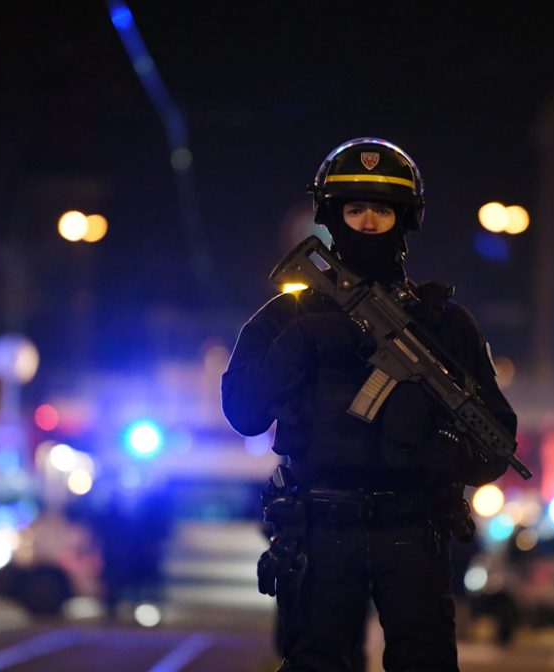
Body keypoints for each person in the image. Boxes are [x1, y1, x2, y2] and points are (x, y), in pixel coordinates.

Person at [221, 137, 518, 672]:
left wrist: (428, 442)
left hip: (411, 530)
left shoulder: (444, 326)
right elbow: (243, 411)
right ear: (330, 216)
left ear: (405, 220)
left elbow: (494, 446)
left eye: (381, 210)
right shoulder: (287, 317)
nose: (367, 224)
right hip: (320, 530)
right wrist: (303, 341)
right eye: (354, 209)